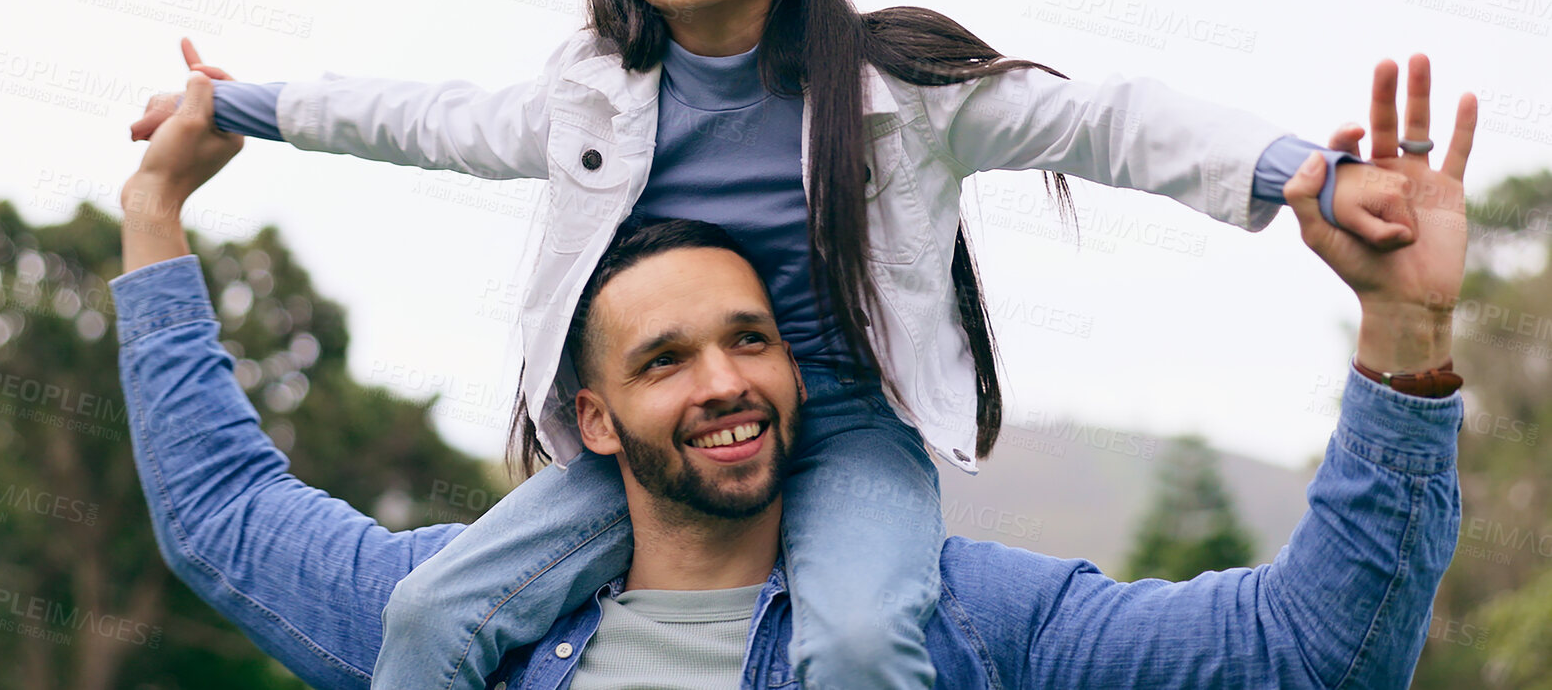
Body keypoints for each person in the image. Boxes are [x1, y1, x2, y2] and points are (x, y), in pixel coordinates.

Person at [128, 0, 1419, 690]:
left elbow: (1104, 121)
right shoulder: (585, 98)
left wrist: (1287, 167)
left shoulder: (899, 92)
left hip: (848, 425)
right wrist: (236, 107)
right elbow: (418, 120)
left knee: (860, 640)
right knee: (425, 616)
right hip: (644, 450)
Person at [111, 55, 1475, 688]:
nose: (720, 378)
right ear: (591, 414)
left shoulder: (969, 626)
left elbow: (1309, 655)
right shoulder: (471, 622)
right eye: (664, 358)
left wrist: (1403, 343)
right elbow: (219, 515)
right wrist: (156, 218)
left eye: (751, 337)